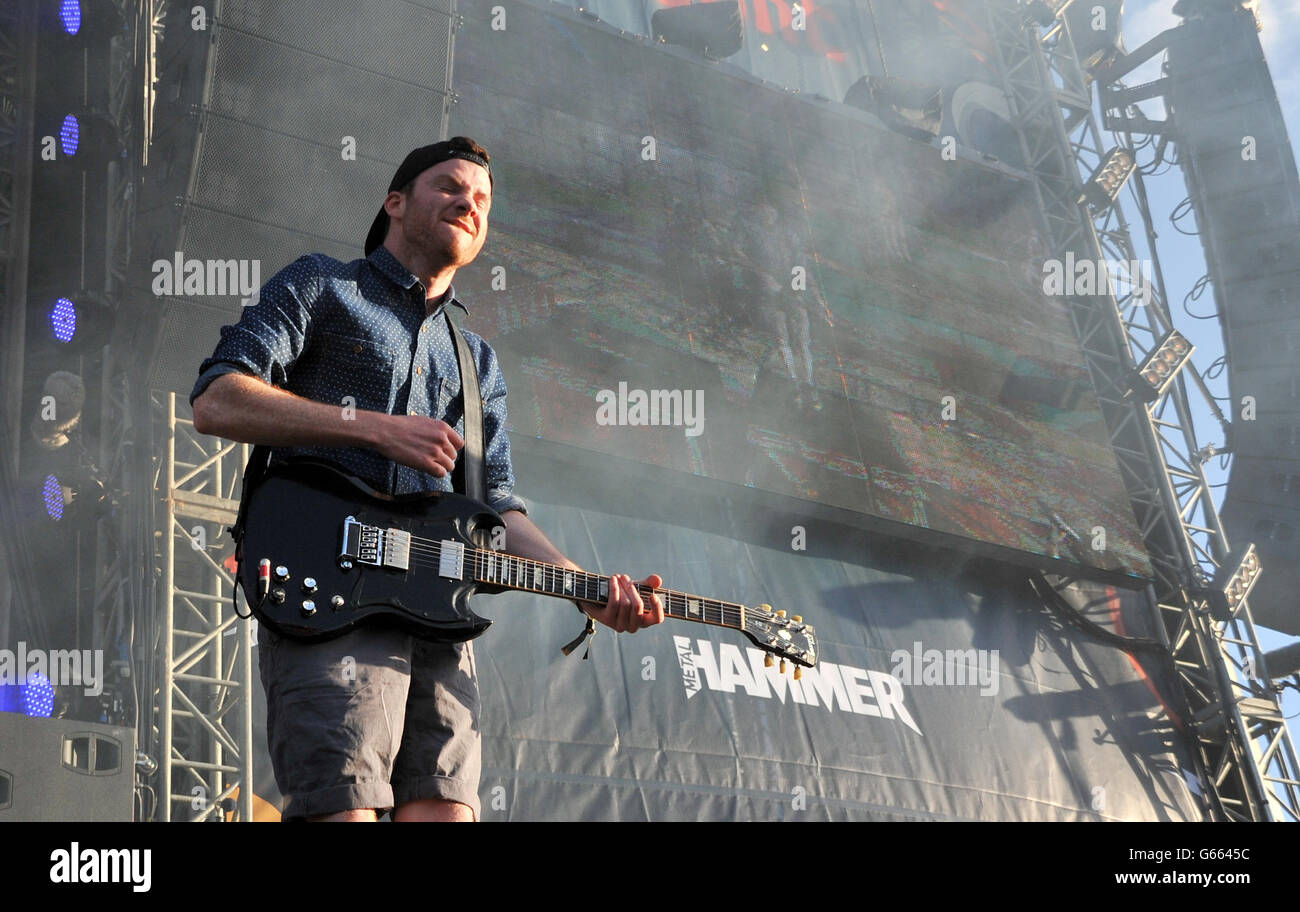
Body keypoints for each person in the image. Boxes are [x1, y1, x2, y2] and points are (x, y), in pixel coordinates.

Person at [190, 137, 665, 822]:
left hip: (437, 617)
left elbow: (495, 506)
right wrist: (373, 427)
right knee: (343, 806)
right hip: (328, 592)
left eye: (482, 200)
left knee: (445, 812)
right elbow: (218, 400)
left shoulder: (477, 363)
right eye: (449, 186)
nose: (469, 203)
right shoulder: (323, 285)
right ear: (396, 202)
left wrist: (585, 589)